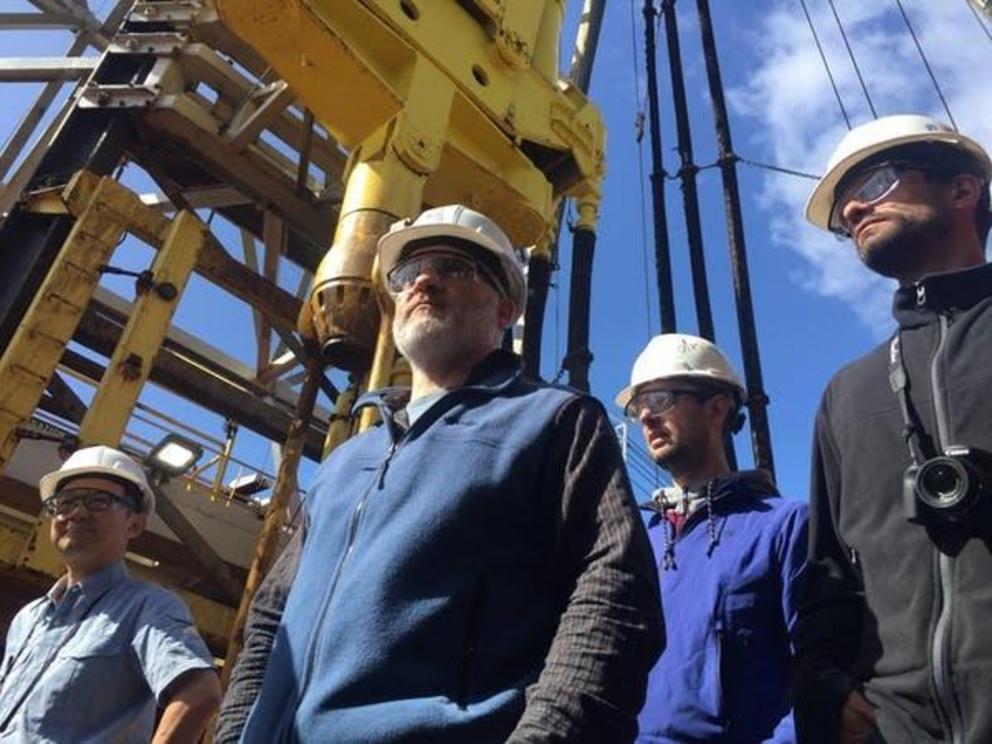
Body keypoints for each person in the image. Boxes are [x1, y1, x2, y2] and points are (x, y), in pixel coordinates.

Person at [217, 204, 664, 743]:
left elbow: (616, 595)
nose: (423, 280)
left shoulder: (555, 423)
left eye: (455, 266)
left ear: (505, 309)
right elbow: (270, 620)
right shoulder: (344, 464)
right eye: (408, 272)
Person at [796, 114, 992, 744]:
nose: (852, 208)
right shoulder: (847, 394)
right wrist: (827, 690)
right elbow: (828, 574)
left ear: (963, 190)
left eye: (876, 181)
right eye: (842, 211)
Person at [616, 333, 807, 743]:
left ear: (717, 408)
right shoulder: (634, 539)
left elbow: (819, 667)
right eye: (638, 407)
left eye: (661, 399)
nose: (646, 417)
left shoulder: (783, 526)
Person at [0, 445, 221, 743]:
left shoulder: (147, 608)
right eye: (65, 502)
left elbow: (200, 692)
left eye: (99, 502)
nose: (76, 512)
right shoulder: (29, 618)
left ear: (135, 524)